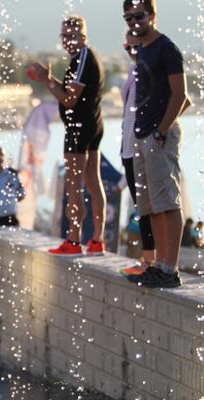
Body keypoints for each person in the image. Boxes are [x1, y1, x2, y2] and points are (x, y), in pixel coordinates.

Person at [123, 0, 188, 288]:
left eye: (138, 16)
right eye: (128, 18)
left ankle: (170, 270)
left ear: (152, 15)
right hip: (142, 135)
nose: (133, 22)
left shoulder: (167, 48)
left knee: (168, 202)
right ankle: (159, 265)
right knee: (151, 206)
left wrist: (161, 132)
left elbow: (180, 96)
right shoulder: (143, 51)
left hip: (158, 136)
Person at [29, 16, 107, 256]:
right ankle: (97, 240)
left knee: (74, 185)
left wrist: (46, 81)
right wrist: (50, 79)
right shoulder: (85, 57)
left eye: (72, 35)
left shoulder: (83, 58)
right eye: (64, 35)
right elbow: (71, 93)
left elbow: (69, 99)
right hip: (93, 123)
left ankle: (74, 241)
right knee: (92, 181)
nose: (67, 40)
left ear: (84, 36)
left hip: (79, 127)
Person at [118, 30, 156, 275]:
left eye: (136, 47)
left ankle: (152, 261)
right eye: (128, 48)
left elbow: (178, 99)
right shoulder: (134, 70)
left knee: (148, 205)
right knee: (140, 205)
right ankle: (148, 259)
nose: (132, 52)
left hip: (141, 145)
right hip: (128, 145)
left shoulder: (151, 69)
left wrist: (159, 132)